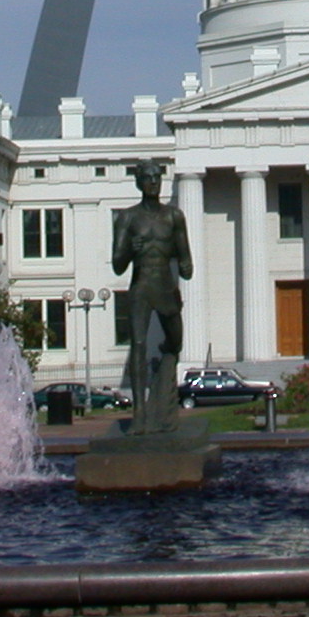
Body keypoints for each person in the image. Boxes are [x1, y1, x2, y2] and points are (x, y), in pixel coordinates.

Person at [111, 159, 194, 437]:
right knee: (138, 345)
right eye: (148, 177)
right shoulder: (127, 218)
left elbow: (186, 259)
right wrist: (129, 250)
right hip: (141, 287)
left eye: (157, 177)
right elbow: (118, 265)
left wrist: (185, 266)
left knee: (175, 342)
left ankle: (163, 385)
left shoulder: (174, 216)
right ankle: (140, 414)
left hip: (166, 287)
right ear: (138, 182)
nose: (154, 182)